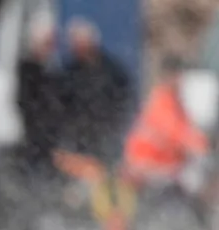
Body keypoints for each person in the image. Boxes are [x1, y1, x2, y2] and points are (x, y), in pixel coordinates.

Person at [124, 56, 208, 185]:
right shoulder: (161, 100)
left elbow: (186, 128)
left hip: (164, 165)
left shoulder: (174, 100)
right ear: (169, 76)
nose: (181, 80)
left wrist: (202, 143)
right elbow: (177, 132)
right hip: (149, 166)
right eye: (178, 75)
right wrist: (202, 147)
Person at [60, 18, 132, 164]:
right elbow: (64, 104)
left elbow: (124, 96)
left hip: (107, 133)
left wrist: (117, 122)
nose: (75, 47)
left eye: (79, 42)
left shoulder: (111, 69)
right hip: (81, 138)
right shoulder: (70, 72)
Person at [16, 20, 63, 177]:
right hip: (35, 132)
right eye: (47, 44)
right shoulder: (28, 71)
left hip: (52, 133)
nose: (49, 49)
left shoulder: (53, 70)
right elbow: (25, 101)